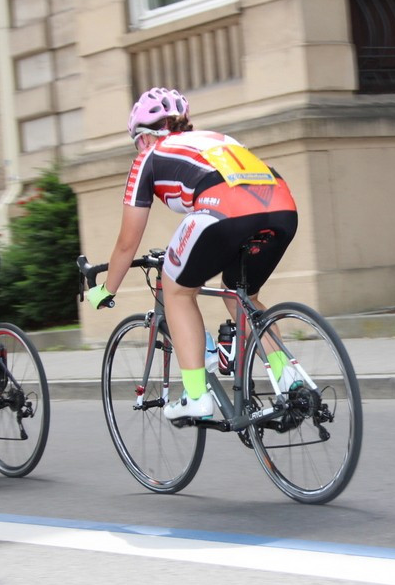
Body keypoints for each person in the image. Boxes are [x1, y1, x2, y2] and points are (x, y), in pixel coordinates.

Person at [86, 87, 299, 421]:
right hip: (282, 206)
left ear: (144, 138)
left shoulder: (149, 157)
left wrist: (106, 289)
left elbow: (127, 242)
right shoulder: (215, 139)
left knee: (176, 290)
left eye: (136, 141)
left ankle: (196, 396)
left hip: (226, 209)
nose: (138, 149)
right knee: (241, 295)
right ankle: (290, 380)